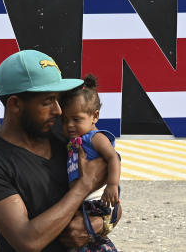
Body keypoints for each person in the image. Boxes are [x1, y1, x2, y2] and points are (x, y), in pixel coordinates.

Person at [0, 50, 110, 252]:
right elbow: (27, 241)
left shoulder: (66, 137)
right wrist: (83, 187)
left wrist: (99, 224)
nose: (58, 110)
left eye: (58, 100)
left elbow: (112, 202)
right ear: (15, 104)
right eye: (47, 101)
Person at [59, 74, 122, 252]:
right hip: (82, 201)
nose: (69, 125)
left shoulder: (95, 138)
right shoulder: (74, 140)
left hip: (97, 200)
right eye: (64, 121)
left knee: (92, 242)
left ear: (94, 116)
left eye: (76, 119)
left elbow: (113, 158)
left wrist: (112, 185)